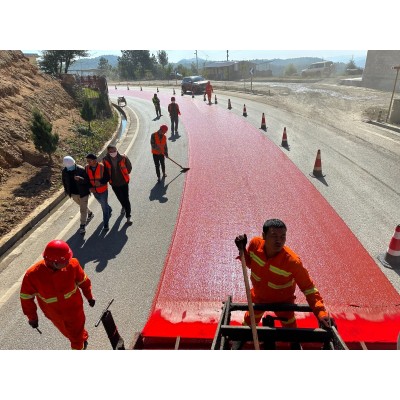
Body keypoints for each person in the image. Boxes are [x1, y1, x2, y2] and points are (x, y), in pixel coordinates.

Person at [234, 218, 333, 347]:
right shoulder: (254, 244)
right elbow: (249, 263)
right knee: (248, 325)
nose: (279, 240)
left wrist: (321, 313)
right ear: (263, 236)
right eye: (274, 236)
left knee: (292, 333)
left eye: (283, 236)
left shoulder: (293, 262)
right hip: (258, 299)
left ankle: (295, 346)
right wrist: (242, 250)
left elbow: (308, 288)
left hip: (284, 304)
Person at [20, 240, 95, 350]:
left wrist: (89, 296)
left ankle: (79, 345)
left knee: (75, 338)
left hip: (75, 311)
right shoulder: (32, 275)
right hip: (54, 315)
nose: (68, 262)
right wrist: (32, 318)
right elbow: (26, 298)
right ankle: (82, 338)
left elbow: (84, 282)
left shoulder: (72, 264)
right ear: (53, 262)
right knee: (70, 334)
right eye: (65, 261)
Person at [61, 155, 94, 234]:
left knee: (82, 210)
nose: (70, 168)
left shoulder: (81, 169)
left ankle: (82, 226)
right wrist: (67, 191)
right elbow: (64, 182)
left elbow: (87, 181)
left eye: (72, 166)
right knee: (82, 206)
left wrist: (80, 179)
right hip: (73, 194)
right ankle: (90, 213)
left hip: (83, 193)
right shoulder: (64, 171)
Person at [102, 144, 133, 225]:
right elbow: (104, 171)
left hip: (124, 182)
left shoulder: (123, 157)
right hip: (114, 183)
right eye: (110, 151)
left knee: (126, 198)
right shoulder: (105, 160)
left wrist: (126, 173)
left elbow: (129, 167)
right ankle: (123, 206)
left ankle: (128, 216)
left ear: (116, 149)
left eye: (114, 150)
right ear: (108, 152)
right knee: (119, 197)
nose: (113, 152)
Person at [85, 153, 112, 231]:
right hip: (94, 191)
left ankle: (106, 224)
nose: (88, 162)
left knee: (103, 206)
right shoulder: (86, 168)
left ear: (95, 161)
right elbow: (87, 179)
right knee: (104, 204)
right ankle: (109, 209)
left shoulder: (102, 167)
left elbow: (107, 177)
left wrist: (100, 182)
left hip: (103, 190)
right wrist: (90, 187)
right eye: (87, 161)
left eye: (89, 160)